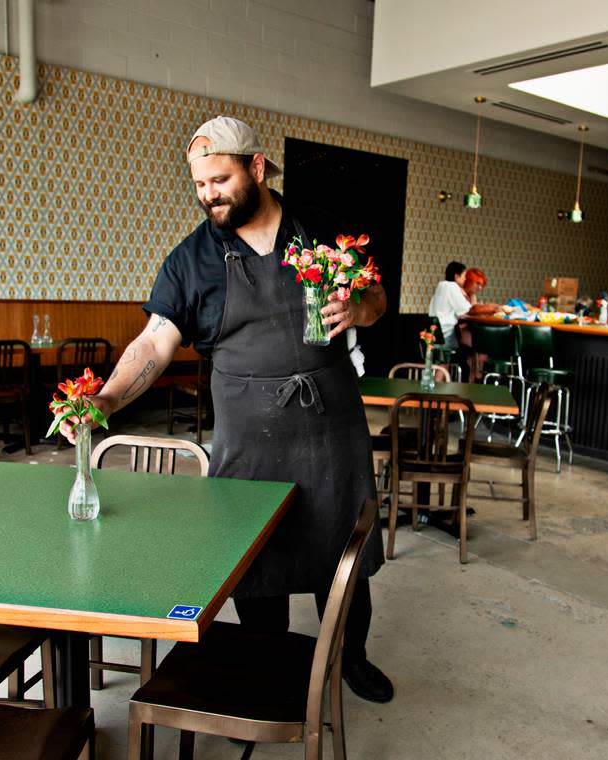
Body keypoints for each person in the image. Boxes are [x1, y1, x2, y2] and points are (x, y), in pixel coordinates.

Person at [60, 115, 394, 703]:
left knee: (341, 545)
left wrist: (362, 311)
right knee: (256, 556)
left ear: (257, 168)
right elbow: (155, 342)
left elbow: (377, 295)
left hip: (331, 423)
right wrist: (107, 398)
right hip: (251, 431)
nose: (209, 194)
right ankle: (266, 663)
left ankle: (351, 659)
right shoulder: (192, 260)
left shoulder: (319, 229)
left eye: (220, 179)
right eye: (199, 184)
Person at [427, 261, 471, 348]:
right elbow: (466, 310)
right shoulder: (452, 286)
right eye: (464, 276)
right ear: (456, 276)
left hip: (435, 333)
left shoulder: (441, 286)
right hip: (446, 334)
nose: (465, 279)